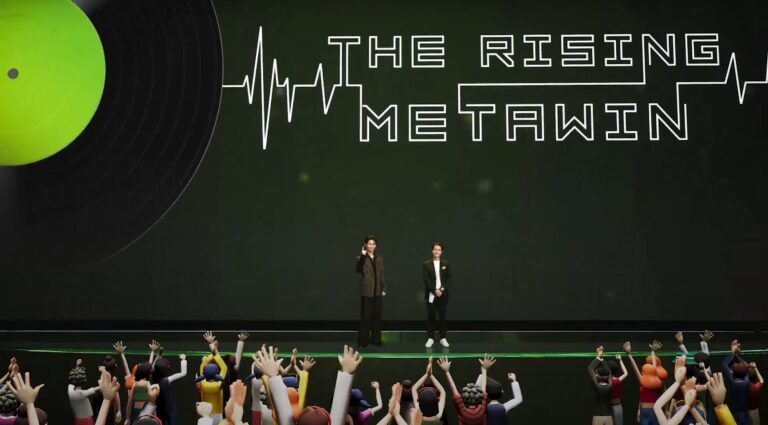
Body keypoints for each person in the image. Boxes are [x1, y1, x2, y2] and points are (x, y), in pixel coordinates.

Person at [356, 235, 386, 348]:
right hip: (367, 291)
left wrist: (383, 288)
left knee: (377, 316)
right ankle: (363, 340)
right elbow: (358, 270)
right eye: (369, 244)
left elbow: (381, 274)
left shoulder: (379, 258)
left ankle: (376, 339)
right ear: (365, 245)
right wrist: (363, 256)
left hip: (377, 291)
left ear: (375, 245)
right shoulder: (361, 258)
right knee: (366, 317)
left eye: (373, 244)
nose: (371, 246)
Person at [423, 242, 451, 348]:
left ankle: (443, 338)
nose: (437, 251)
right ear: (432, 251)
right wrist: (435, 290)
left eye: (439, 250)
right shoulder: (426, 264)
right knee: (431, 316)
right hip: (431, 294)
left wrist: (441, 290)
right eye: (435, 249)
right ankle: (430, 338)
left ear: (441, 252)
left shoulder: (445, 263)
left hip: (443, 294)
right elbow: (426, 279)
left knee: (442, 316)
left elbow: (449, 278)